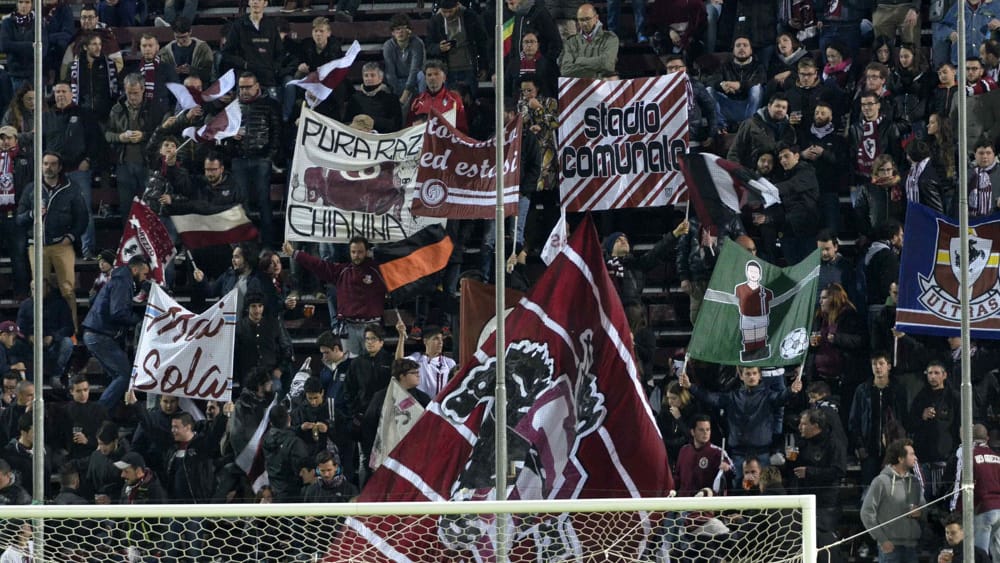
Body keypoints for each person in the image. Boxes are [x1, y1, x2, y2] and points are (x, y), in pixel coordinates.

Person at [679, 365, 803, 480]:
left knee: (763, 490)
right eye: (748, 374)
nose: (751, 377)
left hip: (762, 453)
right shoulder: (732, 397)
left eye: (754, 373)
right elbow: (711, 398)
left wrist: (791, 390)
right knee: (738, 491)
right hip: (738, 454)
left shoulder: (768, 396)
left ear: (760, 375)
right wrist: (690, 386)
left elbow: (781, 397)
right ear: (741, 376)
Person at [15, 151, 88, 333]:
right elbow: (19, 219)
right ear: (41, 166)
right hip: (37, 245)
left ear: (60, 167)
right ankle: (41, 333)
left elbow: (82, 218)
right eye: (46, 164)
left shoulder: (71, 188)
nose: (49, 167)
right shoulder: (31, 189)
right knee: (39, 290)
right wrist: (33, 214)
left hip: (61, 245)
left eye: (53, 164)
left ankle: (72, 333)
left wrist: (70, 237)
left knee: (67, 290)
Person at [285, 237, 387, 356]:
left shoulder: (378, 271)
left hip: (372, 326)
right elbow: (318, 265)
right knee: (350, 367)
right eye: (353, 252)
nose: (356, 255)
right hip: (349, 328)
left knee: (373, 366)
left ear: (367, 252)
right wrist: (294, 253)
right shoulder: (342, 271)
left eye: (360, 252)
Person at [81, 255, 151, 410]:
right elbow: (118, 312)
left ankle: (105, 416)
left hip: (95, 334)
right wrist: (138, 320)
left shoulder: (120, 280)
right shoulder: (122, 282)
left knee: (117, 377)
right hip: (100, 335)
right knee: (125, 376)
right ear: (135, 269)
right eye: (144, 274)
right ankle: (99, 413)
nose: (145, 278)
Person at [226, 71, 281, 249]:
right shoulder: (233, 107)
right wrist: (231, 139)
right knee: (242, 203)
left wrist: (269, 157)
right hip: (239, 159)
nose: (244, 91)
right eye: (241, 87)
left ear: (257, 86)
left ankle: (268, 244)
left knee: (264, 202)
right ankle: (247, 245)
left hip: (261, 159)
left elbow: (277, 133)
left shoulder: (270, 105)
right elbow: (224, 134)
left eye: (248, 87)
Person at [105, 73, 164, 219]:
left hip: (148, 164)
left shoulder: (154, 109)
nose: (132, 97)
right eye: (129, 93)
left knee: (150, 206)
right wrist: (120, 137)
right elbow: (107, 134)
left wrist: (143, 136)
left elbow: (162, 134)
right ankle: (128, 239)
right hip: (124, 164)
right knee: (126, 207)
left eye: (136, 93)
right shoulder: (116, 110)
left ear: (143, 89)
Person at [849, 351, 909, 487]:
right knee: (869, 488)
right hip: (869, 449)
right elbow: (854, 420)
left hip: (893, 449)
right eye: (874, 364)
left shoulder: (898, 390)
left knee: (894, 487)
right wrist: (859, 445)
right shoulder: (863, 390)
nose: (877, 367)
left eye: (881, 363)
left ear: (888, 366)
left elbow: (904, 419)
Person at [860, 438, 923, 562]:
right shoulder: (881, 482)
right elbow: (866, 513)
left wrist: (920, 512)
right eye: (911, 454)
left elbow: (923, 506)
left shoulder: (915, 481)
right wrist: (882, 540)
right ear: (900, 458)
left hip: (911, 547)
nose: (915, 458)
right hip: (890, 548)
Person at [604, 220, 689, 308]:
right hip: (612, 312)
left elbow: (657, 252)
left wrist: (675, 234)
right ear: (610, 248)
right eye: (618, 240)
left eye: (625, 239)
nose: (623, 241)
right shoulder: (604, 268)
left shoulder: (637, 265)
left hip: (635, 311)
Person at [908, 360, 960, 500]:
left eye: (936, 373)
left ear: (944, 375)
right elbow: (909, 423)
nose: (933, 376)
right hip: (923, 456)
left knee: (942, 497)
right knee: (924, 497)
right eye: (930, 373)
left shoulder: (954, 398)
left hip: (945, 457)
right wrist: (922, 416)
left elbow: (960, 425)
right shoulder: (920, 397)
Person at [791, 409, 847, 537]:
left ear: (815, 426)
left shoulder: (834, 444)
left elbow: (838, 471)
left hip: (825, 504)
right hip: (803, 500)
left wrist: (810, 472)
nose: (799, 427)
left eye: (804, 424)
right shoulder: (802, 442)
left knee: (821, 538)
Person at [949, 424, 1000, 561]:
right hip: (999, 508)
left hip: (982, 508)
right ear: (987, 438)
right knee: (997, 552)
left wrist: (955, 508)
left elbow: (959, 484)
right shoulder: (996, 457)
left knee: (979, 553)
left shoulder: (968, 455)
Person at [234, 290, 294, 392]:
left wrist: (279, 369)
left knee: (276, 389)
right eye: (253, 306)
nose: (257, 310)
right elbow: (234, 354)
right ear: (248, 308)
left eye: (260, 306)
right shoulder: (239, 327)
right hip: (248, 376)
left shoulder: (273, 324)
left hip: (270, 374)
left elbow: (286, 349)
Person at [17, 277, 74, 384]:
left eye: (40, 288)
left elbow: (68, 327)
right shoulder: (25, 305)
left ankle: (56, 376)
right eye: (33, 289)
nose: (36, 292)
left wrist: (53, 336)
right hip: (31, 344)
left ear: (47, 289)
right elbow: (20, 328)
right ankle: (28, 380)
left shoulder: (59, 303)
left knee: (67, 343)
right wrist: (29, 337)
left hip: (53, 344)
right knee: (16, 345)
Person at [426, 0, 489, 96]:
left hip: (469, 67)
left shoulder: (470, 17)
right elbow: (429, 46)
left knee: (470, 102)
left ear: (457, 6)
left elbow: (482, 42)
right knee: (448, 104)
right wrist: (439, 48)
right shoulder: (435, 21)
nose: (447, 15)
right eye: (444, 12)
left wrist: (483, 66)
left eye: (450, 11)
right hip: (447, 70)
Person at [220, 0, 284, 93]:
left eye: (259, 0)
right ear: (249, 2)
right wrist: (244, 64)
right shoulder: (238, 25)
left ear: (265, 3)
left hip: (268, 77)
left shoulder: (271, 25)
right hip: (245, 77)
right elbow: (226, 53)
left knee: (271, 105)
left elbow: (280, 52)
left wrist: (274, 68)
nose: (255, 2)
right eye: (253, 0)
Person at [708, 37, 766, 134]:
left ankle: (748, 126)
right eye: (738, 45)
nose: (741, 48)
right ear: (733, 51)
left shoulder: (758, 66)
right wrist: (722, 85)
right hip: (729, 106)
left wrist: (739, 85)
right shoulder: (725, 66)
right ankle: (721, 127)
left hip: (749, 107)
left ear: (751, 50)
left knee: (757, 88)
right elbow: (711, 81)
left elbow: (760, 80)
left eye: (745, 45)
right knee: (709, 90)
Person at [727, 93, 796, 170]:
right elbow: (734, 152)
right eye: (777, 106)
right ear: (769, 106)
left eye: (784, 108)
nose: (780, 110)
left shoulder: (789, 130)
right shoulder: (750, 124)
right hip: (749, 172)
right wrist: (737, 172)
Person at [52, 374, 108, 464]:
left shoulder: (99, 410)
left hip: (94, 453)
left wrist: (88, 441)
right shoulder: (64, 411)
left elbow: (106, 436)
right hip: (71, 455)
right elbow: (57, 437)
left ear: (89, 389)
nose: (83, 394)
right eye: (78, 391)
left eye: (85, 390)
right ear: (71, 391)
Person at [673, 415, 733, 496]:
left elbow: (732, 470)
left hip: (705, 504)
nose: (705, 433)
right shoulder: (684, 450)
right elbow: (677, 477)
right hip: (683, 503)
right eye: (701, 430)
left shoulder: (718, 452)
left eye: (708, 430)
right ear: (692, 432)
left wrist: (727, 468)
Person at [262, 404, 310, 502]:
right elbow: (302, 469)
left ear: (271, 423)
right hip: (294, 496)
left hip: (275, 493)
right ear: (289, 418)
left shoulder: (266, 439)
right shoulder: (295, 443)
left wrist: (299, 429)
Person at [396, 320, 455, 400]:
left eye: (441, 339)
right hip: (420, 405)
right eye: (436, 339)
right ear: (425, 341)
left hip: (438, 407)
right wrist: (401, 336)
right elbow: (399, 361)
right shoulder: (417, 358)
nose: (440, 342)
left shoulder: (449, 363)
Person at [558, 3, 619, 79]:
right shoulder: (571, 42)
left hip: (602, 87)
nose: (584, 23)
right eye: (581, 20)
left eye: (587, 19)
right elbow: (565, 70)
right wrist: (598, 74)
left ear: (596, 18)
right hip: (578, 87)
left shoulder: (610, 38)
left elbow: (607, 64)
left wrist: (579, 61)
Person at [407, 59, 468, 132]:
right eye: (429, 75)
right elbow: (408, 130)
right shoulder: (416, 101)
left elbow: (462, 129)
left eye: (436, 74)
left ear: (444, 78)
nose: (432, 78)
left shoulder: (454, 99)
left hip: (446, 141)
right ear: (425, 79)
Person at [0, 0, 47, 92]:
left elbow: (43, 49)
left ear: (32, 4)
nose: (23, 6)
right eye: (21, 2)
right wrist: (30, 45)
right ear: (17, 4)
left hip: (34, 74)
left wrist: (15, 46)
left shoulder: (38, 23)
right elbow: (4, 46)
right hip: (15, 74)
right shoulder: (7, 23)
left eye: (27, 2)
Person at [344, 62, 403, 133]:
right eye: (366, 75)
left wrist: (373, 121)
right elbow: (346, 122)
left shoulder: (392, 99)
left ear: (380, 78)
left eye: (372, 75)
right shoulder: (355, 98)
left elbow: (397, 125)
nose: (369, 78)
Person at [383, 14, 425, 107]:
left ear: (409, 30)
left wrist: (405, 94)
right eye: (397, 29)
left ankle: (423, 104)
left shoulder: (417, 43)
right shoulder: (388, 46)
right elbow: (390, 72)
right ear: (392, 32)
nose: (401, 32)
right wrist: (396, 94)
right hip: (398, 81)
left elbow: (415, 69)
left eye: (403, 28)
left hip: (413, 80)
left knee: (421, 75)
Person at [157, 17, 214, 84]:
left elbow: (209, 74)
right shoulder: (166, 52)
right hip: (175, 89)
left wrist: (192, 71)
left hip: (197, 87)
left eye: (184, 37)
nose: (181, 41)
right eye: (177, 37)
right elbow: (162, 75)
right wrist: (173, 72)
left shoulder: (203, 48)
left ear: (190, 32)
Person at [966, 138, 1000, 217]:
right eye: (981, 153)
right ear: (975, 155)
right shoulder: (967, 174)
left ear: (994, 155)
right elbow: (957, 202)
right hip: (972, 224)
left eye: (988, 153)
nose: (984, 156)